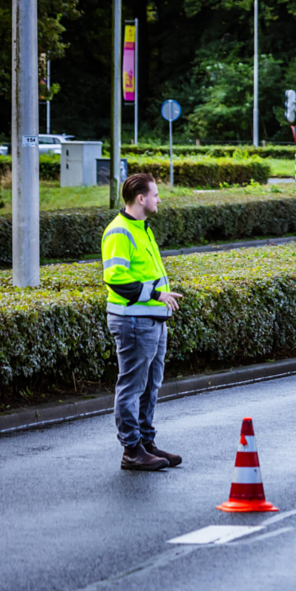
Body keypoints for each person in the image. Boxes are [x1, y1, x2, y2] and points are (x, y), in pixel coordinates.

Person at [102, 173, 184, 471]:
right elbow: (115, 278)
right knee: (132, 386)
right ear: (141, 198)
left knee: (151, 385)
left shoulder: (141, 229)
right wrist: (156, 293)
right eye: (156, 194)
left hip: (151, 320)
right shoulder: (119, 232)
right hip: (133, 321)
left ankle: (146, 442)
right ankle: (132, 450)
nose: (159, 199)